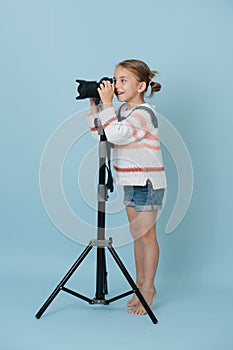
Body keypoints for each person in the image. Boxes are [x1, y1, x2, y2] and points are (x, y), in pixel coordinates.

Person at [86, 59, 167, 315]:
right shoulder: (121, 113)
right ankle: (139, 285)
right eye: (115, 79)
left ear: (141, 86)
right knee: (136, 237)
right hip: (130, 182)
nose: (116, 85)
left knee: (147, 237)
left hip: (147, 182)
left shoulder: (145, 113)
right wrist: (95, 109)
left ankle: (148, 288)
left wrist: (108, 105)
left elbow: (118, 134)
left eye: (123, 80)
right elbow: (101, 134)